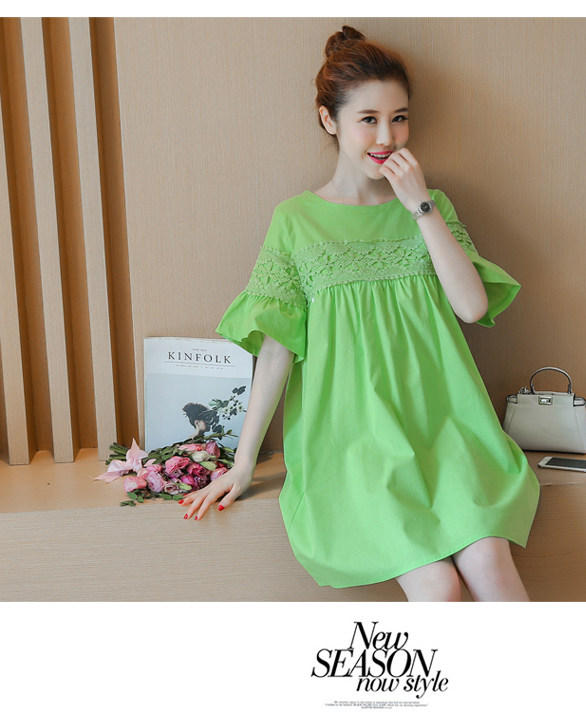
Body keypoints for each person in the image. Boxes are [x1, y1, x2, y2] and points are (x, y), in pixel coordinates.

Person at [179, 25, 540, 602]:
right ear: (330, 120)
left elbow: (472, 307)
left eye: (399, 118)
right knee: (439, 588)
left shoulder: (431, 207)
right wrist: (243, 463)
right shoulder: (296, 221)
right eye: (368, 119)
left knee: (491, 566)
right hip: (352, 441)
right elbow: (276, 350)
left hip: (445, 428)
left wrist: (419, 205)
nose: (387, 137)